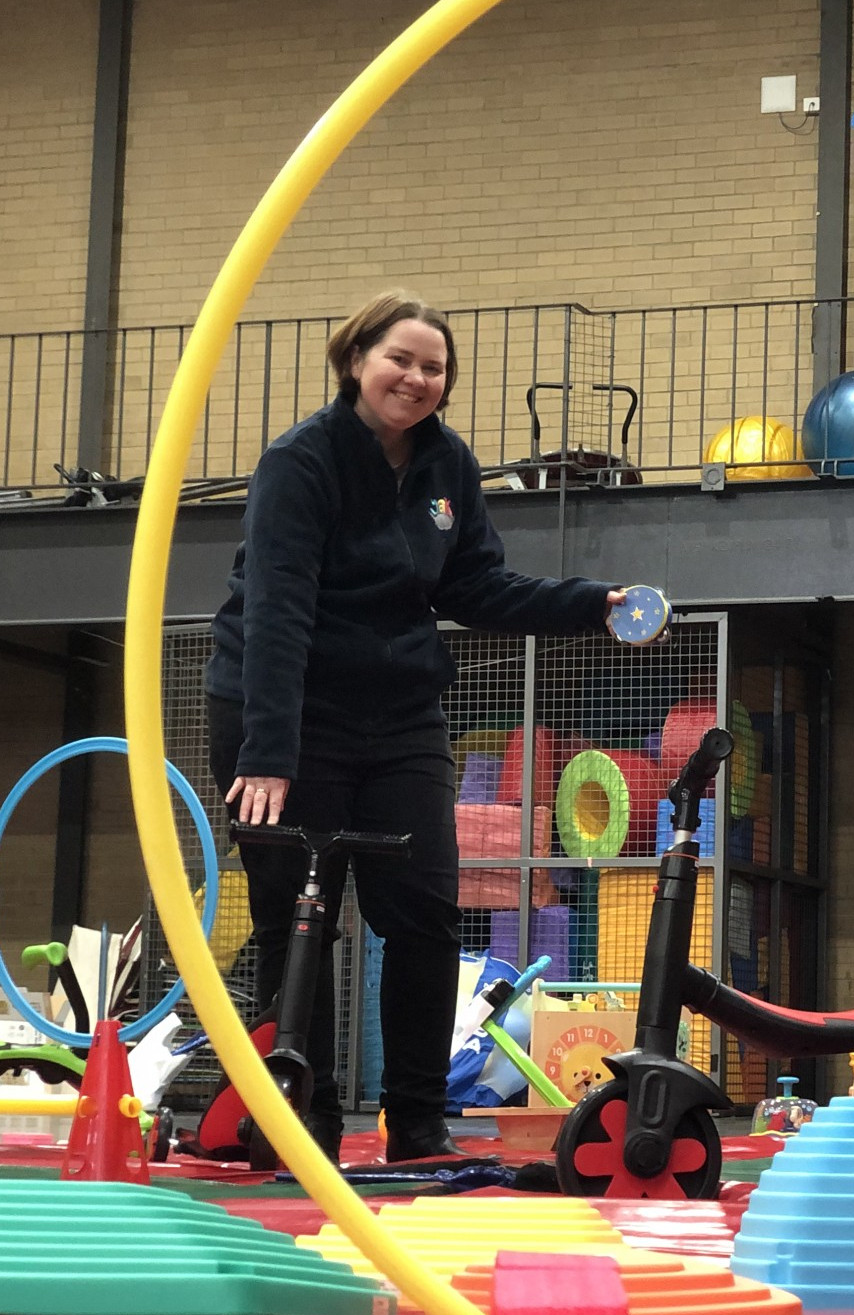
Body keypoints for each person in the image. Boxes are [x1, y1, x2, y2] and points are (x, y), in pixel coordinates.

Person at [205, 291, 628, 1161]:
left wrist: (595, 601)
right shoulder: (302, 462)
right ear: (355, 359)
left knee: (427, 912)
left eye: (435, 368)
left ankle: (419, 1121)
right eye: (401, 358)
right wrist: (270, 752)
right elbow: (280, 609)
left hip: (397, 716)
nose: (417, 377)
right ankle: (301, 1122)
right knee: (300, 920)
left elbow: (476, 586)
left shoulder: (448, 467)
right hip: (286, 713)